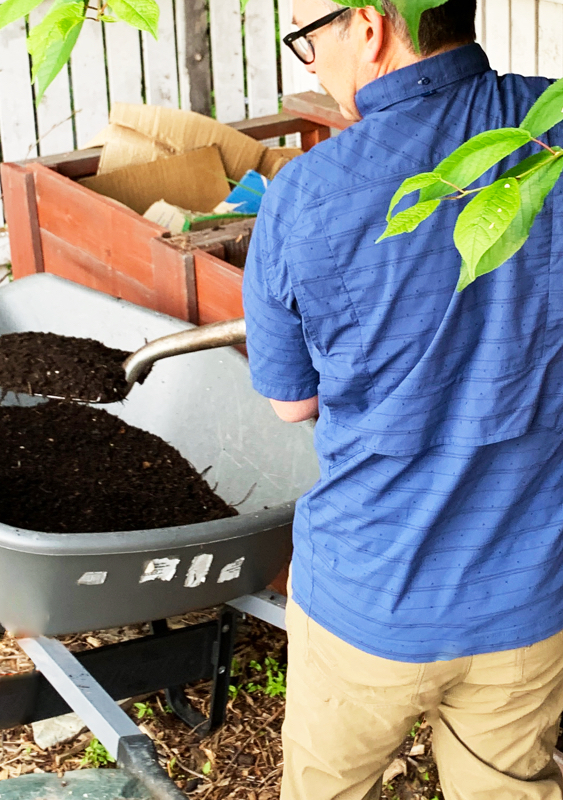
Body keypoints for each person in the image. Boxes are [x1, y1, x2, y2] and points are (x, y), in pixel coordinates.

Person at [241, 1, 563, 799]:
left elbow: (291, 404)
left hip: (369, 595)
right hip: (531, 590)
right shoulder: (552, 127)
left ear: (373, 25)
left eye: (310, 44)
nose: (312, 65)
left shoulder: (306, 196)